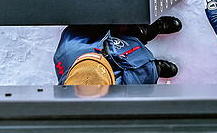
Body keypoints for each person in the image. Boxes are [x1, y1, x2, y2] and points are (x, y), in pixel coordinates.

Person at [53, 17, 181, 86]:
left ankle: (146, 32)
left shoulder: (68, 49)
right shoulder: (119, 90)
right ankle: (155, 67)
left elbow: (88, 20)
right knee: (143, 76)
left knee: (127, 29)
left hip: (115, 38)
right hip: (124, 73)